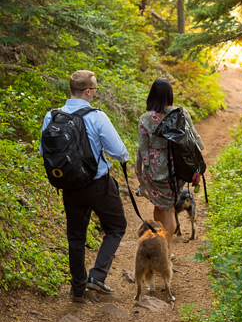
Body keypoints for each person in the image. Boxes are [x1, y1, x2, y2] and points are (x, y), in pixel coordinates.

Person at [40, 70, 129, 302]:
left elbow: (44, 152)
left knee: (76, 238)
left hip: (69, 186)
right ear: (88, 91)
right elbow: (119, 151)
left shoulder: (51, 116)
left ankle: (78, 290)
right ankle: (97, 276)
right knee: (116, 227)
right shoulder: (96, 116)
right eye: (95, 90)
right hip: (98, 184)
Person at [136, 78, 204, 248]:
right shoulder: (182, 114)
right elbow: (195, 142)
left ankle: (164, 250)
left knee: (164, 208)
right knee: (166, 207)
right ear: (169, 94)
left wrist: (144, 173)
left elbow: (143, 150)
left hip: (156, 171)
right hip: (178, 169)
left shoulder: (145, 119)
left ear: (152, 95)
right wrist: (197, 166)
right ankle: (162, 247)